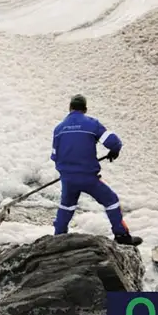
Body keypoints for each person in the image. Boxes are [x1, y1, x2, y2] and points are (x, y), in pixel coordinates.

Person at [50, 95, 142, 246]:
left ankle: (57, 239)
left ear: (70, 108)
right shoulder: (91, 124)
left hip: (68, 178)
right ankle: (122, 236)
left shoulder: (59, 129)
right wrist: (114, 151)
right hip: (88, 178)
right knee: (111, 201)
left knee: (67, 206)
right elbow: (113, 141)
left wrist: (68, 171)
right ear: (85, 109)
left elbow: (54, 156)